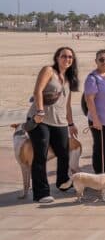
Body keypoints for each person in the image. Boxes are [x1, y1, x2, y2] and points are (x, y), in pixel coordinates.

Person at [27, 47, 79, 203]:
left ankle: (63, 184)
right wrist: (40, 112)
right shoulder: (48, 70)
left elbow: (67, 104)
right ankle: (41, 193)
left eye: (70, 57)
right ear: (57, 57)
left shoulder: (69, 79)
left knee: (64, 154)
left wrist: (70, 123)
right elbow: (38, 91)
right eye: (64, 56)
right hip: (40, 120)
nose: (67, 59)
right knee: (40, 156)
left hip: (60, 122)